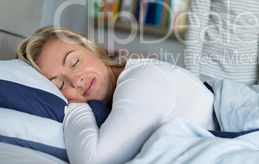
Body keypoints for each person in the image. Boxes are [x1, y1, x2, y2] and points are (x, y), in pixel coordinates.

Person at [17, 26, 215, 163]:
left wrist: (76, 105)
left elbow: (95, 160)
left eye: (75, 62)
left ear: (91, 47)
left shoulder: (142, 79)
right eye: (60, 84)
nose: (77, 81)